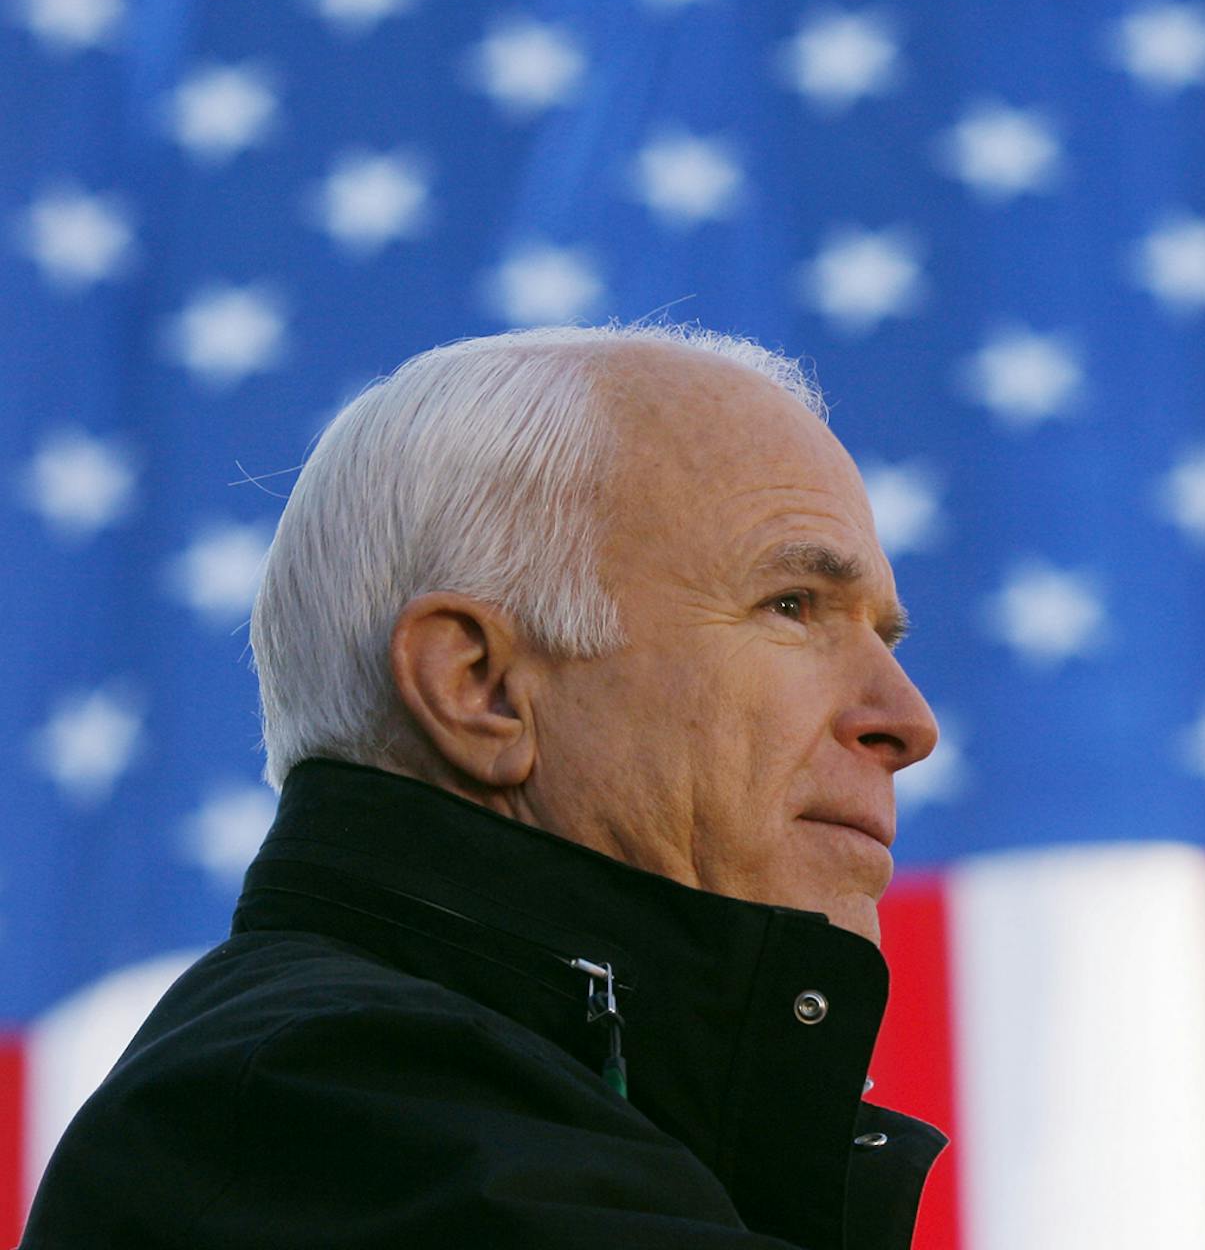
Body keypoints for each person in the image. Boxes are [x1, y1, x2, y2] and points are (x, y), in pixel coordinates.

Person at [20, 323, 946, 1250]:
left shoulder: (531, 1114)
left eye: (883, 636)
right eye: (792, 606)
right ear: (480, 687)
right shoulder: (328, 1113)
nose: (908, 721)